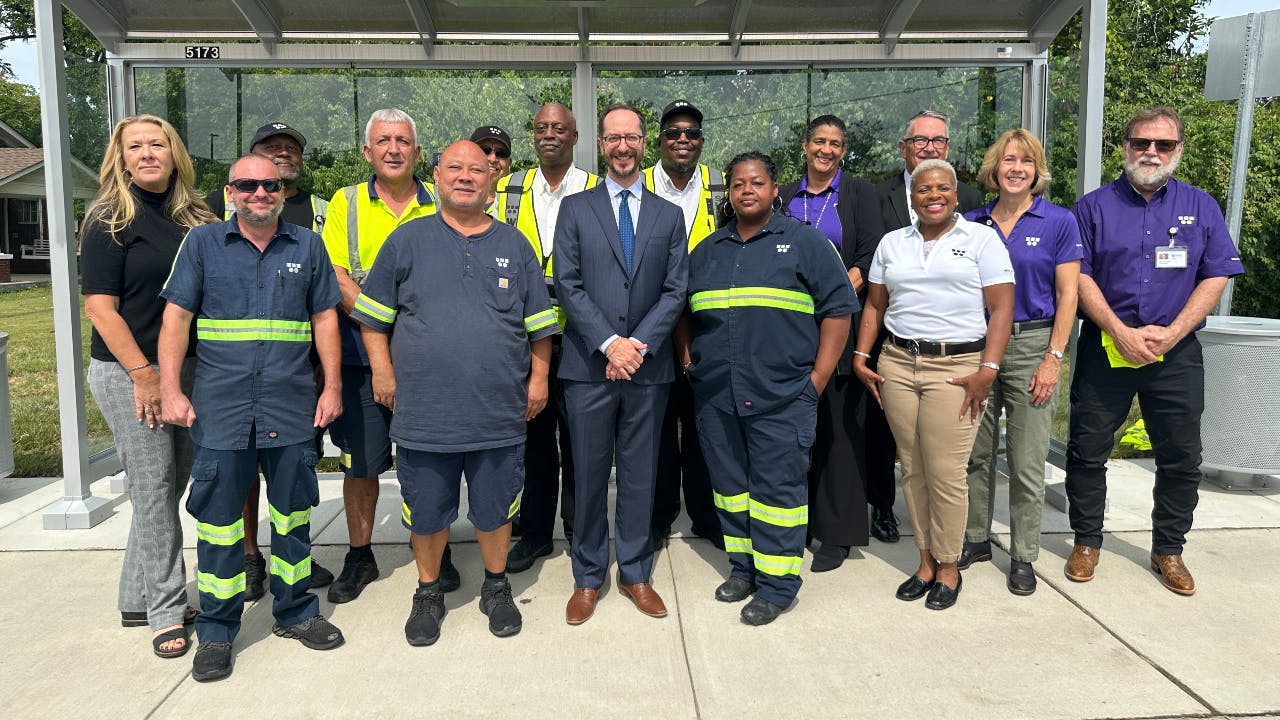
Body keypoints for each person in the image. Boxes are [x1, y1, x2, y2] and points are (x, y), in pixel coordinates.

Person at [351, 141, 559, 645]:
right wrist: (382, 372)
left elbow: (540, 329)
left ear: (493, 182)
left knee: (494, 507)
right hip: (425, 410)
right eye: (455, 169)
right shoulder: (406, 241)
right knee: (426, 511)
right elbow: (374, 320)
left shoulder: (516, 244)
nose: (466, 177)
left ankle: (495, 585)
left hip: (497, 410)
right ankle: (427, 592)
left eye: (478, 170)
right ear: (437, 177)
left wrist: (538, 380)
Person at [159, 154, 346, 682]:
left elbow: (324, 318)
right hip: (221, 408)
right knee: (218, 526)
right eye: (249, 185)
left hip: (291, 408)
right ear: (231, 191)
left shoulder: (308, 245)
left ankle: (294, 611)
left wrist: (332, 386)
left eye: (271, 184)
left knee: (292, 517)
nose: (261, 192)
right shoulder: (202, 244)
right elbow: (177, 318)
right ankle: (218, 630)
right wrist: (170, 389)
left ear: (283, 191)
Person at [1064, 106, 1244, 596]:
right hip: (1107, 346)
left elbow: (1216, 274)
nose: (1151, 152)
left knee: (1182, 457)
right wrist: (1120, 330)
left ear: (1177, 151)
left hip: (1176, 351)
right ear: (1125, 147)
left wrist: (1173, 331)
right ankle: (1086, 541)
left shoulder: (1201, 206)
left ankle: (1169, 548)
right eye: (1142, 142)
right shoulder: (1093, 207)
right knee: (1086, 450)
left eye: (1163, 145)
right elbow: (1079, 275)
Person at [683, 151, 857, 625]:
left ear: (774, 189)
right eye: (738, 184)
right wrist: (688, 358)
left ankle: (778, 585)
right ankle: (744, 568)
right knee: (731, 490)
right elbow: (684, 311)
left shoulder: (807, 244)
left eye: (756, 183)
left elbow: (838, 312)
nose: (746, 191)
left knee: (777, 492)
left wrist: (816, 381)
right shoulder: (709, 251)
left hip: (783, 396)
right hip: (717, 396)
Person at [81, 114, 217, 660]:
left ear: (173, 152)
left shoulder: (196, 217)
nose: (146, 154)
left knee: (168, 482)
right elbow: (99, 308)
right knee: (155, 487)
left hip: (182, 367)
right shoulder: (110, 219)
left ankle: (134, 597)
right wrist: (144, 376)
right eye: (134, 146)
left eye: (156, 144)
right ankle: (165, 609)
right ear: (121, 157)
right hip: (128, 370)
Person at [853, 158, 1014, 611]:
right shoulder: (893, 243)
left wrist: (989, 369)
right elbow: (874, 308)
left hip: (957, 366)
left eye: (943, 187)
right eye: (924, 189)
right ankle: (924, 562)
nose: (934, 196)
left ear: (956, 193)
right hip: (900, 363)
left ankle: (949, 567)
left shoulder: (982, 240)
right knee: (913, 468)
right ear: (912, 196)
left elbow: (1001, 310)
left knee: (946, 473)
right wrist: (862, 357)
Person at [554, 103, 688, 626]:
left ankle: (635, 572)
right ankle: (588, 577)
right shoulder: (575, 209)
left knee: (640, 475)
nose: (624, 147)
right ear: (601, 145)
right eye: (614, 139)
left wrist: (637, 347)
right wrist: (611, 344)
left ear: (643, 143)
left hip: (648, 370)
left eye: (632, 137)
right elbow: (568, 284)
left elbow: (676, 289)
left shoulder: (667, 215)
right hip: (589, 367)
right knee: (586, 475)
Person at [321, 108, 456, 603]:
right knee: (360, 464)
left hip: (429, 362)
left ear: (419, 153)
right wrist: (388, 326)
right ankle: (360, 555)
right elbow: (336, 276)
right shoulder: (346, 202)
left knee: (432, 460)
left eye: (403, 140)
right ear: (367, 152)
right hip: (362, 356)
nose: (394, 149)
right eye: (383, 141)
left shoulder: (439, 201)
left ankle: (436, 556)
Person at [204, 120, 334, 599]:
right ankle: (250, 557)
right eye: (270, 148)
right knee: (242, 476)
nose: (282, 156)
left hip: (297, 370)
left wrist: (326, 372)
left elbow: (324, 300)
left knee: (291, 480)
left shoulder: (319, 213)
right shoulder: (219, 221)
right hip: (236, 378)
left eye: (289, 149)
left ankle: (290, 572)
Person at [960, 129, 1082, 596]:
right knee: (977, 453)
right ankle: (975, 538)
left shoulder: (1058, 222)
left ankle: (1024, 554)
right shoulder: (971, 224)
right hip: (979, 346)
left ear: (1037, 171)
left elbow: (1068, 295)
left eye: (1026, 162)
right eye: (1008, 160)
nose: (1016, 169)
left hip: (1033, 345)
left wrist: (1054, 358)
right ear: (995, 169)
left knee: (1028, 462)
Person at [492, 103, 600, 574]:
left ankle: (580, 532)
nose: (550, 134)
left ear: (576, 137)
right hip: (523, 338)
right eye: (541, 128)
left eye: (560, 128)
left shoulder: (598, 190)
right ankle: (535, 533)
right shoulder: (506, 190)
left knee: (582, 440)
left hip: (582, 337)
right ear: (533, 137)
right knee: (532, 441)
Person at [870, 110, 985, 544]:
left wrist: (987, 361)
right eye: (920, 141)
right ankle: (883, 509)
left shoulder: (972, 201)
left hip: (953, 349)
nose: (929, 148)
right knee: (894, 444)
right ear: (904, 147)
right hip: (892, 339)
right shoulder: (876, 196)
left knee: (944, 460)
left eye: (937, 141)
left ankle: (950, 551)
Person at [779, 114, 886, 571]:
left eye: (836, 144)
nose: (827, 150)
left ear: (843, 151)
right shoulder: (784, 195)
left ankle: (837, 534)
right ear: (805, 146)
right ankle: (793, 524)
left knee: (840, 429)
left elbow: (870, 251)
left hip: (840, 323)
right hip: (788, 327)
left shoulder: (859, 193)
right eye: (819, 142)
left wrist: (836, 291)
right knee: (791, 430)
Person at [642, 99, 725, 552]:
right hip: (651, 324)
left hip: (707, 323)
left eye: (691, 133)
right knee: (655, 427)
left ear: (701, 140)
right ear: (660, 141)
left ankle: (706, 514)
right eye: (673, 132)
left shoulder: (719, 186)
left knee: (702, 424)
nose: (682, 140)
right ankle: (657, 518)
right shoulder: (641, 185)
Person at [470, 124, 513, 210]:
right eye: (484, 150)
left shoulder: (522, 202)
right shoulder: (445, 199)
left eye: (501, 153)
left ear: (509, 163)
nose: (493, 159)